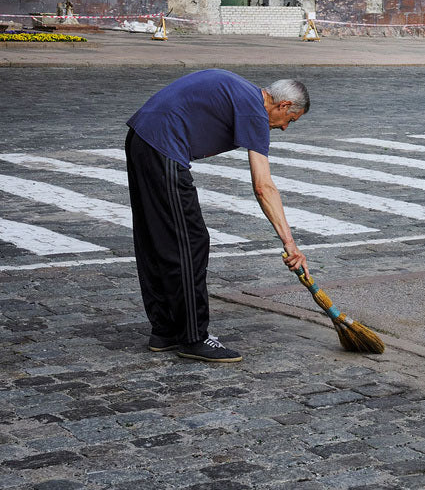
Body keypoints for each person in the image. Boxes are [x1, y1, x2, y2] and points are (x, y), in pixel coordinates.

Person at [125, 69, 310, 363]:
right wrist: (290, 242)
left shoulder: (243, 93)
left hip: (142, 138)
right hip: (162, 147)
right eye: (290, 121)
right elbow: (263, 186)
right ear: (283, 106)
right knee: (191, 241)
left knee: (157, 238)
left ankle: (164, 331)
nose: (285, 128)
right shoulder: (255, 110)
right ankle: (193, 337)